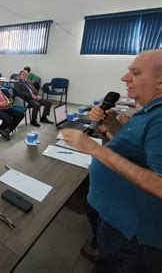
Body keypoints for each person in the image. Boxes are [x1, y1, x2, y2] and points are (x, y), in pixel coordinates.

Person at [62, 49, 162, 273]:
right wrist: (108, 126)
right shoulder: (150, 111)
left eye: (135, 73)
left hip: (133, 236)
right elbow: (132, 150)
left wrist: (94, 149)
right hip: (118, 221)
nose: (125, 78)